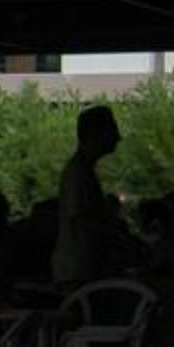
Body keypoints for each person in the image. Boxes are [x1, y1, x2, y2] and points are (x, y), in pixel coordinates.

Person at [51, 105, 126, 285]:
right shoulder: (79, 174)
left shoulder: (80, 171)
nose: (117, 137)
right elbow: (82, 224)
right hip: (80, 274)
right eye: (112, 129)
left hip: (78, 272)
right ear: (95, 134)